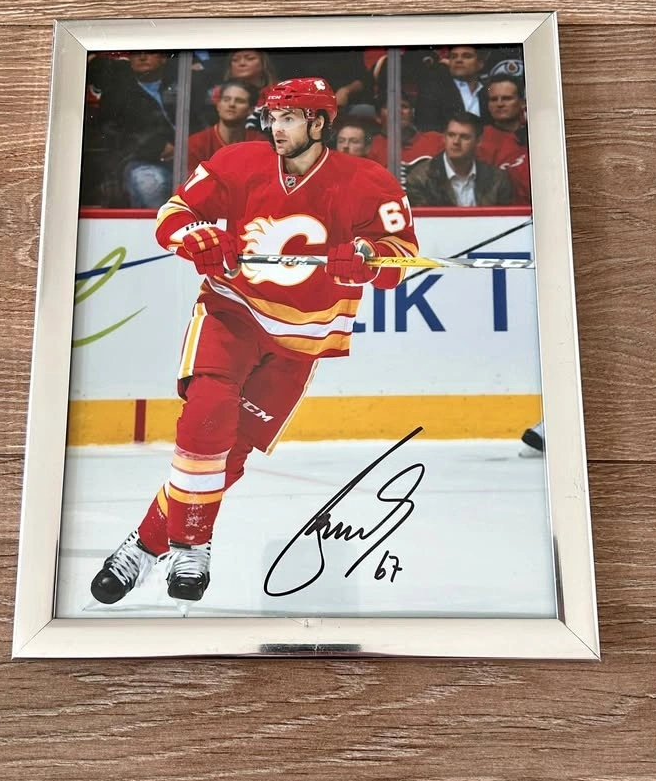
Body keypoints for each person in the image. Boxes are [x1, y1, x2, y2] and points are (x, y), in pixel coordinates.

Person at [90, 78, 418, 608]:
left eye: (288, 118)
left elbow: (399, 258)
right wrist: (195, 237)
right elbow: (174, 215)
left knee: (231, 457)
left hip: (302, 338)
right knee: (207, 415)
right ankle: (192, 547)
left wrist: (366, 256)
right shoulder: (240, 161)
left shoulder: (369, 181)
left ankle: (144, 545)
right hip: (232, 311)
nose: (276, 128)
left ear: (318, 122)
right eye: (272, 118)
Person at [96, 50, 177, 208]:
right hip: (141, 161)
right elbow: (112, 133)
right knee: (151, 184)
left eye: (150, 52)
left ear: (163, 58)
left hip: (188, 157)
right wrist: (156, 147)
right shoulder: (117, 94)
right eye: (136, 53)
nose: (142, 57)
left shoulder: (182, 85)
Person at [406, 112, 514, 208]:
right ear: (444, 138)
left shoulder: (497, 179)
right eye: (451, 135)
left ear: (479, 141)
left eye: (464, 137)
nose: (456, 142)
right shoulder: (420, 179)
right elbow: (426, 222)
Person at [187, 79, 265, 172]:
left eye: (239, 101)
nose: (231, 104)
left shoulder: (260, 143)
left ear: (251, 110)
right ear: (218, 105)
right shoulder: (196, 143)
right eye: (226, 100)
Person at [367, 95, 444, 186]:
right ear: (378, 117)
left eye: (404, 106)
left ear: (412, 113)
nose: (398, 111)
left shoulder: (436, 140)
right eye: (390, 107)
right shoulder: (370, 146)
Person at [478, 76, 531, 205]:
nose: (500, 104)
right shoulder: (479, 140)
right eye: (493, 99)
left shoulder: (537, 134)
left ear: (522, 103)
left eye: (507, 98)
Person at [413, 45, 490, 132]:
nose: (458, 60)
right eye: (453, 57)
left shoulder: (489, 93)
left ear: (480, 64)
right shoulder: (432, 92)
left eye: (466, 56)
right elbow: (427, 130)